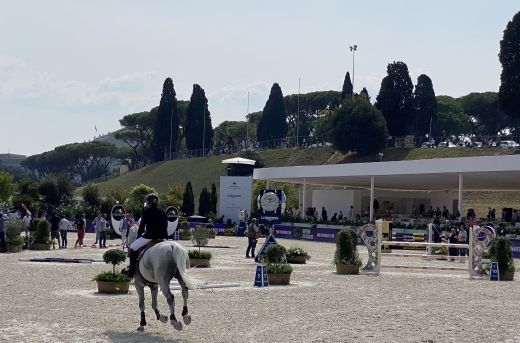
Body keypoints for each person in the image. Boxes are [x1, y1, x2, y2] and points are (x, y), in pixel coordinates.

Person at [122, 193, 168, 278]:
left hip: (150, 236)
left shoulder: (147, 211)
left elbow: (142, 226)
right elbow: (166, 225)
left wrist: (139, 237)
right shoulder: (163, 210)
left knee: (132, 247)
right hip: (163, 236)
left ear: (148, 202)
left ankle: (131, 271)